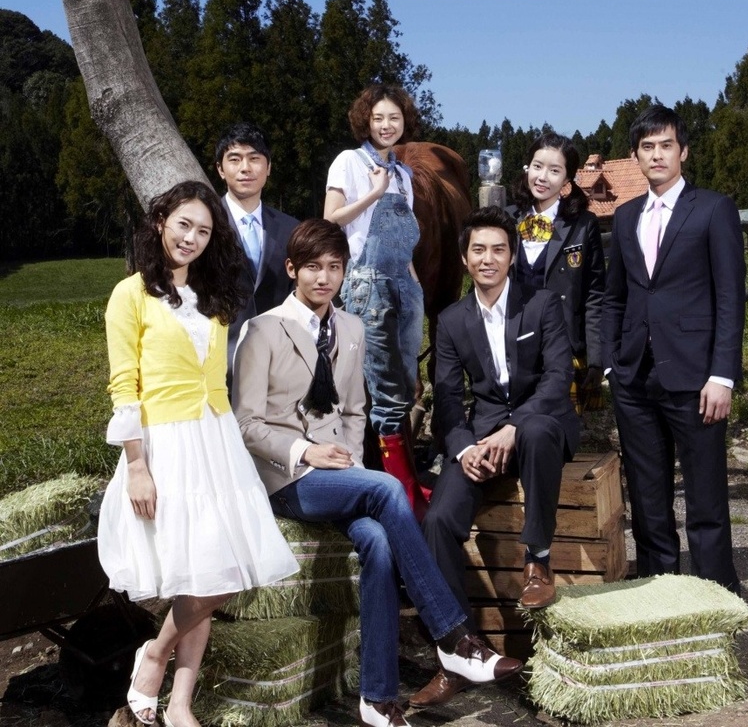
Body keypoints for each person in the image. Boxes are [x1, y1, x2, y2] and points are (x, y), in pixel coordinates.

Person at [232, 219, 522, 727]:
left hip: (339, 476)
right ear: (291, 269)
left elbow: (352, 412)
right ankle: (452, 637)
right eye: (313, 267)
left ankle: (377, 698)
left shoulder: (351, 328)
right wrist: (306, 452)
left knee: (380, 542)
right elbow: (246, 424)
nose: (324, 278)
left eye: (335, 267)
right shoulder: (262, 330)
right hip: (285, 477)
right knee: (388, 488)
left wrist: (349, 464)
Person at [97, 180, 298, 727]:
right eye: (184, 224)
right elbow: (124, 385)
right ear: (159, 222)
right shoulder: (130, 294)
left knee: (217, 572)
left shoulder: (212, 296)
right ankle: (170, 690)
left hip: (216, 440)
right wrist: (137, 466)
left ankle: (160, 666)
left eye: (204, 231)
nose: (192, 238)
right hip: (165, 445)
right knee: (202, 575)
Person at [422, 207, 579, 668]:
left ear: (512, 256)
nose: (487, 259)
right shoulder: (451, 320)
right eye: (478, 250)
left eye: (498, 250)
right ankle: (459, 643)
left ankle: (538, 559)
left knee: (536, 428)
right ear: (465, 258)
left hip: (541, 424)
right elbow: (448, 396)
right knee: (438, 520)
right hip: (482, 435)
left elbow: (557, 379)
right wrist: (464, 447)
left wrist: (513, 428)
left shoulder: (542, 304)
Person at [601, 105, 745, 592]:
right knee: (648, 495)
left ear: (683, 152)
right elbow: (615, 296)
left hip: (697, 378)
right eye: (648, 147)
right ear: (635, 156)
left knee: (705, 495)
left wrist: (722, 375)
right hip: (634, 378)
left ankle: (715, 595)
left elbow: (729, 298)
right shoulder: (625, 217)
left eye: (666, 145)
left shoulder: (713, 209)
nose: (657, 154)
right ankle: (660, 589)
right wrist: (611, 364)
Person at [323, 83, 427, 515]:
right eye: (379, 117)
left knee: (406, 385)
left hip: (405, 284)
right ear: (366, 121)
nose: (386, 125)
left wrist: (415, 285)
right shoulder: (350, 161)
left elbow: (406, 240)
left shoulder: (404, 174)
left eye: (394, 118)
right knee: (384, 390)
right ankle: (400, 491)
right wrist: (373, 193)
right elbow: (330, 219)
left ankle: (406, 479)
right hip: (368, 284)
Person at [507, 131, 605, 412]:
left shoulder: (583, 225)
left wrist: (596, 358)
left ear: (567, 179)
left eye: (554, 170)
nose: (542, 177)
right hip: (513, 343)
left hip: (562, 346)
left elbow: (595, 294)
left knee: (558, 428)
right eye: (537, 166)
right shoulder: (506, 218)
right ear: (527, 168)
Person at [215, 123, 300, 381]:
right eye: (234, 159)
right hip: (217, 366)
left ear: (268, 167)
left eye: (254, 158)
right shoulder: (205, 225)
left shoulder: (291, 228)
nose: (245, 168)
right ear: (220, 169)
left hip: (279, 365)